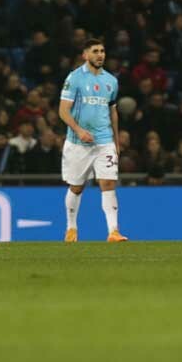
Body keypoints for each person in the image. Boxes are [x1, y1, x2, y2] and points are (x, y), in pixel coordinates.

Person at [59, 39, 126, 243]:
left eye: (103, 51)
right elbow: (63, 110)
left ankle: (113, 231)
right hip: (78, 143)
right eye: (95, 51)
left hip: (104, 141)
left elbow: (113, 112)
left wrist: (116, 140)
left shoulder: (111, 81)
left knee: (108, 183)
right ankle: (71, 228)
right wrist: (79, 131)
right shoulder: (75, 78)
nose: (100, 55)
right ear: (85, 55)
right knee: (77, 187)